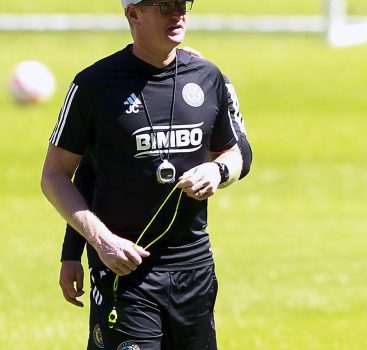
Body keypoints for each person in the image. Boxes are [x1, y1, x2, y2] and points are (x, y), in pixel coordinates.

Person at [40, 0, 249, 348]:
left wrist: (218, 170)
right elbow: (57, 174)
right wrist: (94, 243)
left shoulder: (207, 76)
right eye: (164, 5)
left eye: (183, 4)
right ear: (133, 14)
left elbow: (234, 152)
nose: (177, 14)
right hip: (123, 270)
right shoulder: (94, 85)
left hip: (194, 271)